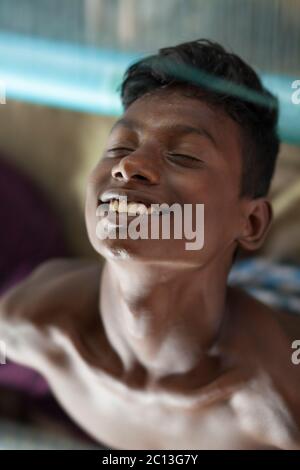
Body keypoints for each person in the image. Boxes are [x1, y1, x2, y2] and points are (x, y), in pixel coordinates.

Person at [1, 39, 300, 450]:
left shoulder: (280, 403)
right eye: (120, 147)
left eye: (185, 156)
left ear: (249, 221)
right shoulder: (31, 326)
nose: (129, 165)